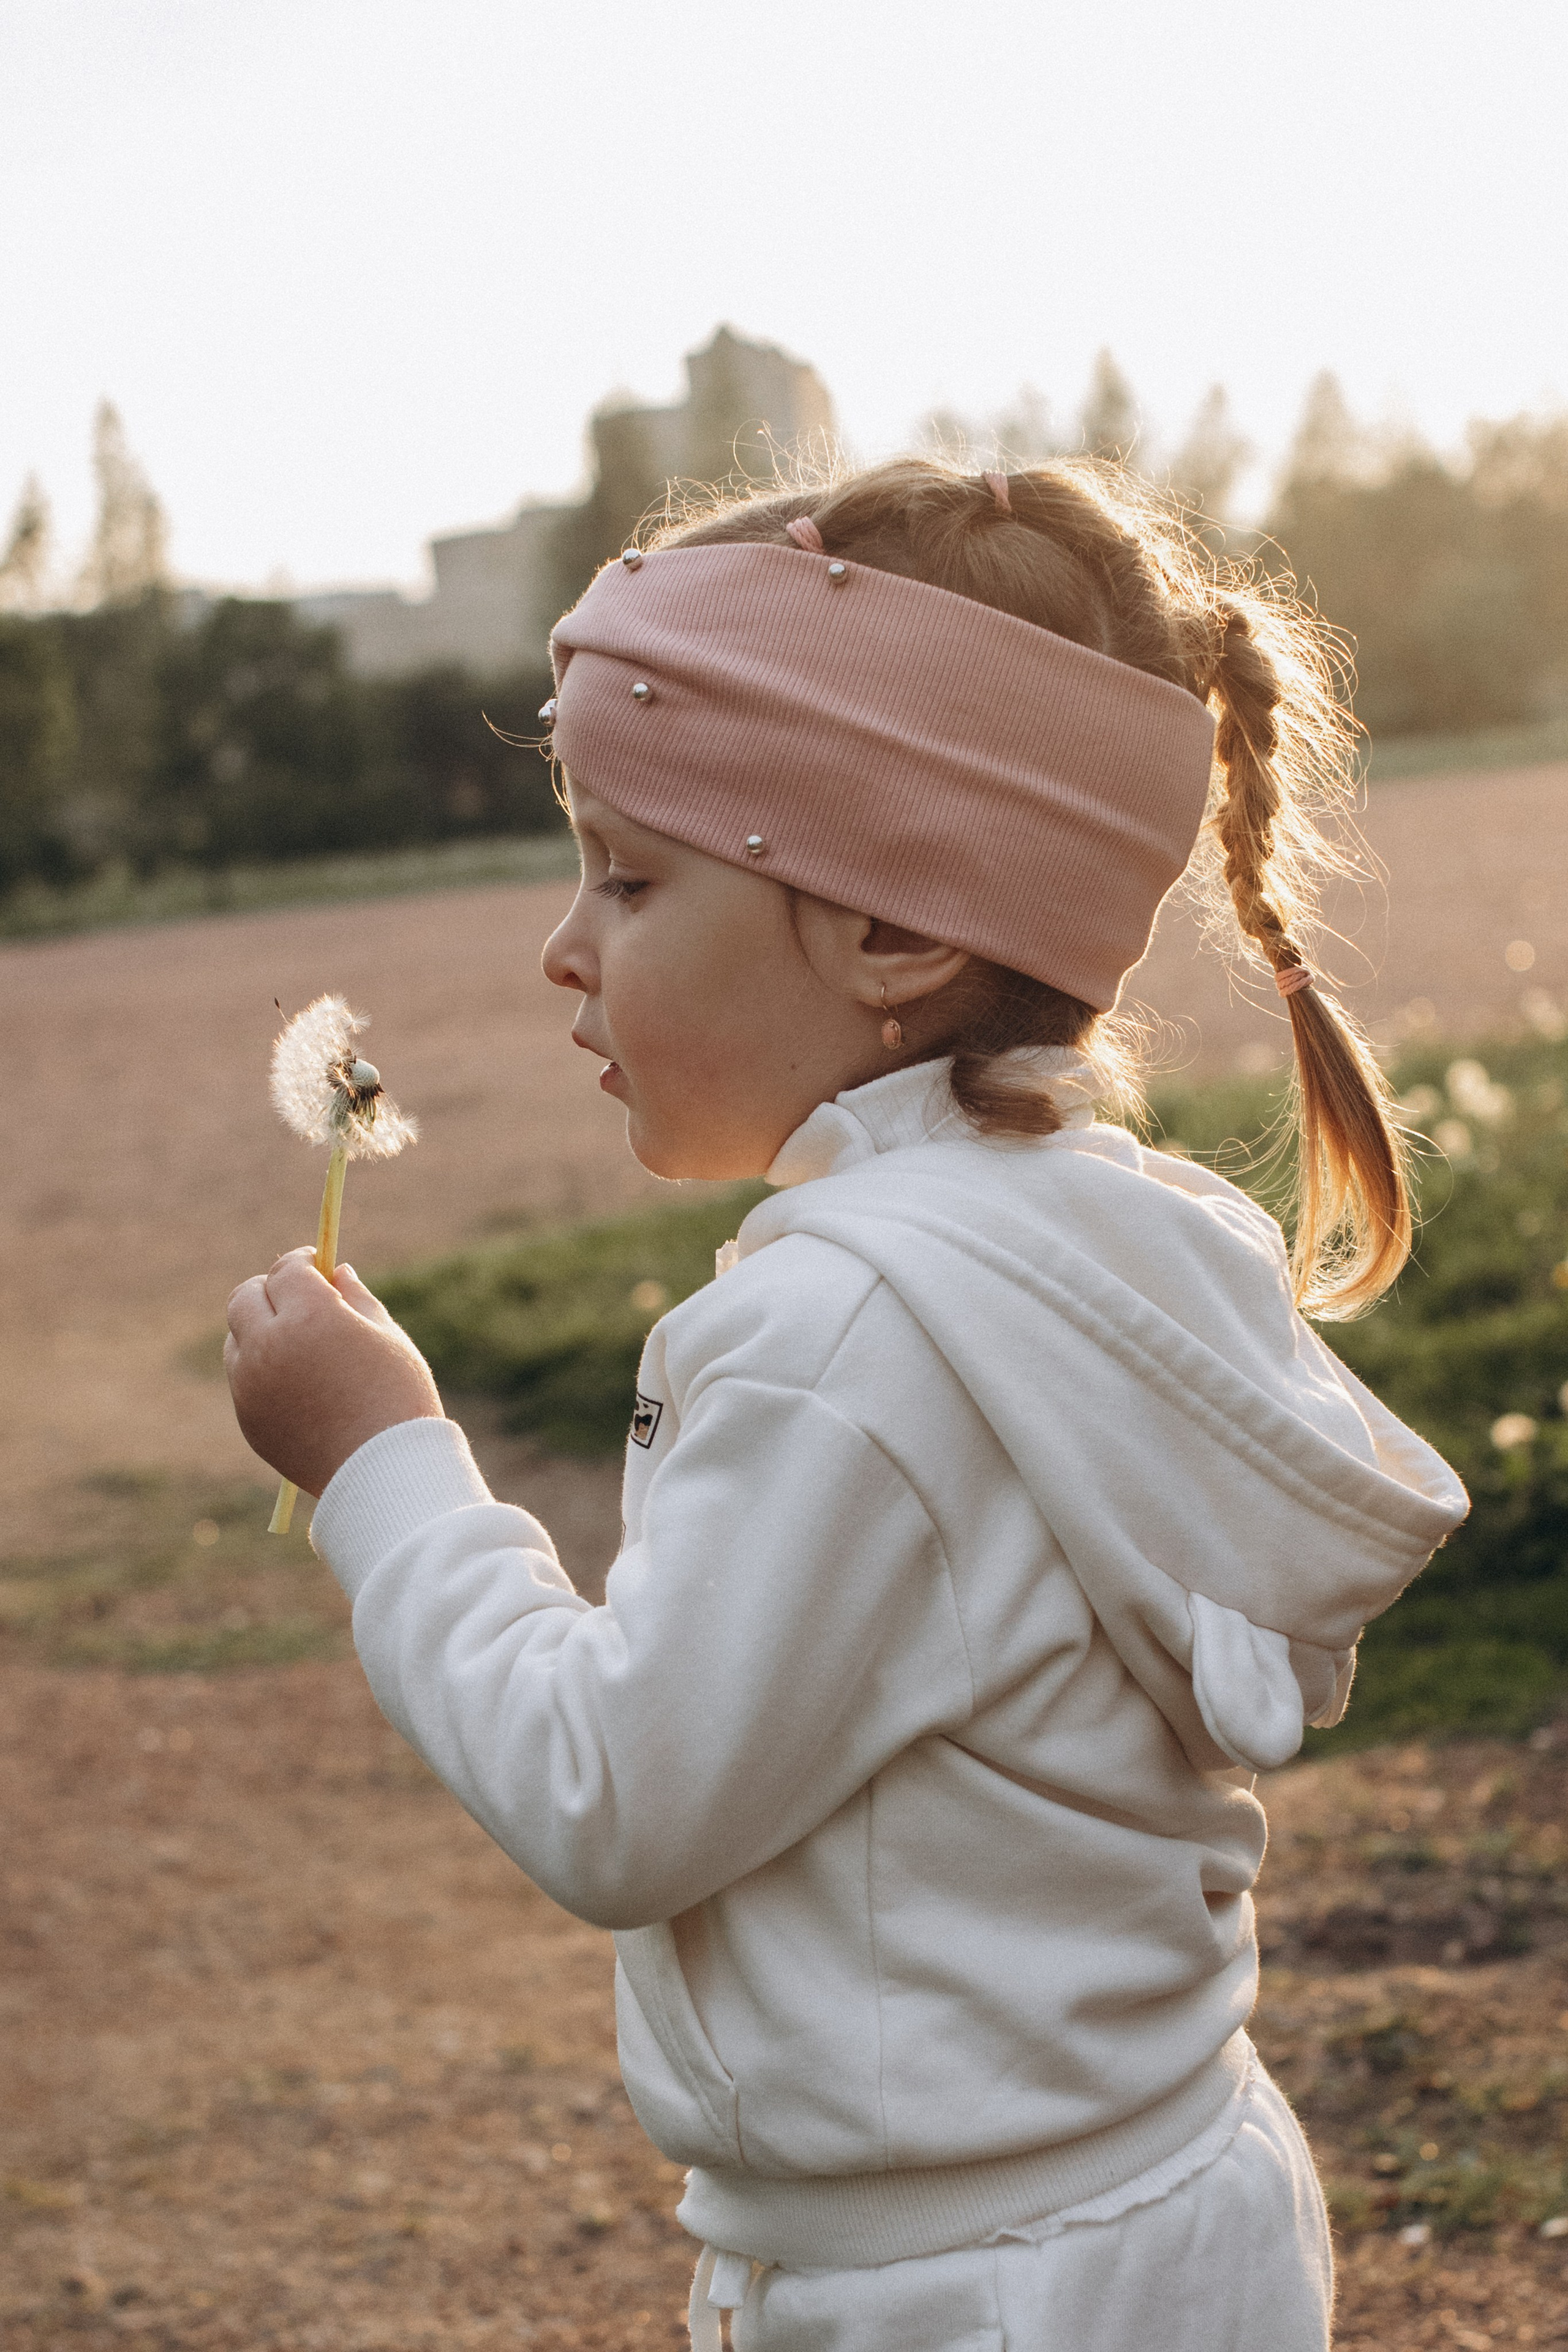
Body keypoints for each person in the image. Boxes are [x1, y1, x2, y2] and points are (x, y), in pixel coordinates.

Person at [225, 458, 1468, 2352]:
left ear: (900, 932)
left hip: (965, 2293)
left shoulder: (846, 1334)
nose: (569, 944)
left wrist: (387, 1464)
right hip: (1165, 2211)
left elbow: (616, 1796)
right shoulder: (1098, 1240)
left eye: (633, 879)